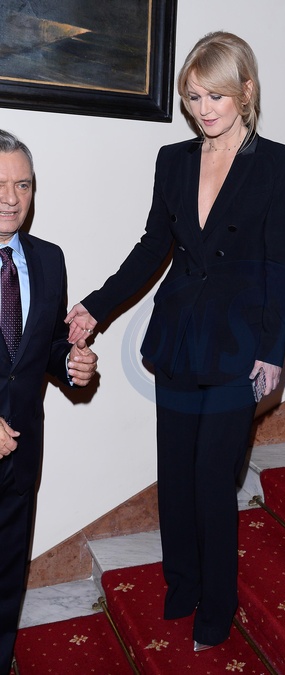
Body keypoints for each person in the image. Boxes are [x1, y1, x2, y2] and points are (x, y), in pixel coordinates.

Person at [66, 31, 285, 651]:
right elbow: (153, 248)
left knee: (212, 482)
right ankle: (182, 584)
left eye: (215, 96)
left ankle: (216, 607)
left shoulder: (277, 165)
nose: (203, 109)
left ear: (245, 91)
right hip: (176, 339)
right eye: (193, 97)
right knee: (174, 475)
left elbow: (279, 266)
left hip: (237, 347)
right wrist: (96, 305)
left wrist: (272, 350)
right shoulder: (173, 160)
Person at [0, 129, 98, 675]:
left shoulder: (49, 259)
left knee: (7, 577)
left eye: (23, 184)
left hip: (21, 452)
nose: (11, 198)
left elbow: (45, 346)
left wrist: (71, 364)